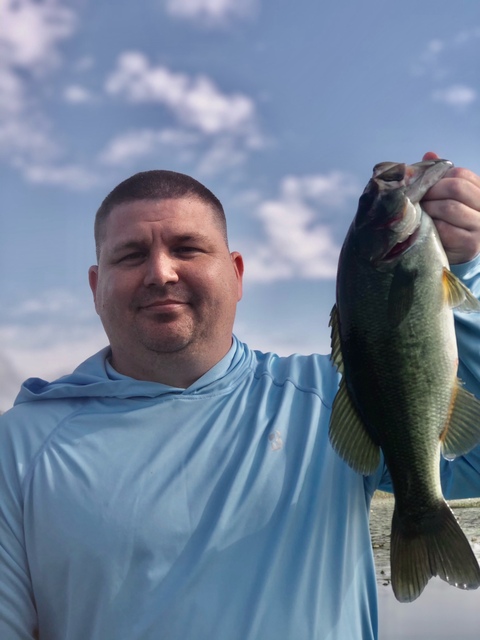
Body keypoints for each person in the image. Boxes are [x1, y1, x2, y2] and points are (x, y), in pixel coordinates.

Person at [1, 152, 480, 640]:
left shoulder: (333, 396)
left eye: (187, 248)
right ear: (95, 286)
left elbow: (474, 462)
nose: (161, 272)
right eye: (130, 255)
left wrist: (465, 270)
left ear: (236, 274)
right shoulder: (17, 447)